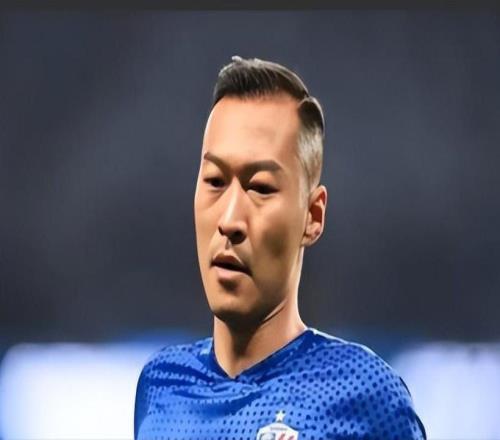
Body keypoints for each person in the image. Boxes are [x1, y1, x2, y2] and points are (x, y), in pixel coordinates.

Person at [134, 56, 427, 440]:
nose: (230, 220)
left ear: (312, 215)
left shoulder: (365, 397)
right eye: (215, 180)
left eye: (260, 188)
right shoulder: (161, 385)